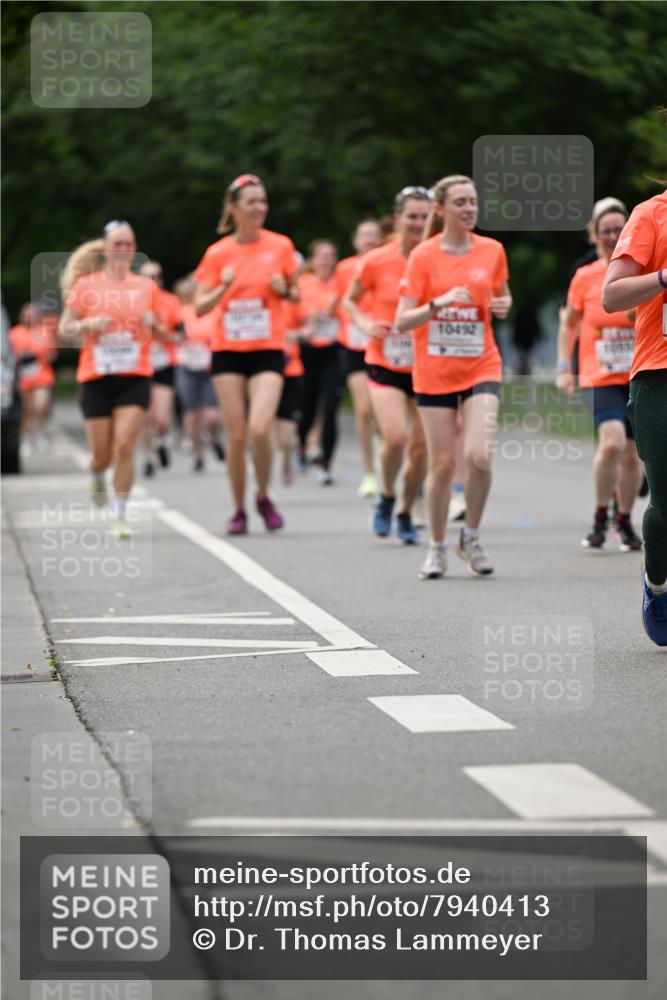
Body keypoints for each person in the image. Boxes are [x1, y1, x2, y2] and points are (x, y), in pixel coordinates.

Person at [396, 174, 512, 578]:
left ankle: (472, 536)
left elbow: (502, 295)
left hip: (482, 363)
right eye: (460, 202)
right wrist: (437, 303)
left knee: (479, 454)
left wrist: (503, 305)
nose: (469, 209)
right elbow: (402, 320)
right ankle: (438, 546)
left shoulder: (493, 250)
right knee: (442, 465)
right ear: (441, 210)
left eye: (473, 202)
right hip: (435, 370)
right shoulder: (423, 256)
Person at [193, 173, 299, 534]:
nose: (259, 207)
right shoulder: (217, 253)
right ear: (234, 209)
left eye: (263, 201)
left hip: (268, 348)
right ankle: (239, 508)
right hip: (229, 353)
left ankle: (264, 495)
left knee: (259, 427)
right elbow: (200, 308)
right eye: (251, 202)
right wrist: (223, 287)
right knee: (237, 434)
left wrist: (285, 291)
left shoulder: (281, 246)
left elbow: (298, 295)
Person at [59, 221, 162, 537]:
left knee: (124, 445)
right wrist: (88, 324)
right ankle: (96, 475)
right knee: (101, 455)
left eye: (128, 244)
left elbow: (164, 329)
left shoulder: (146, 287)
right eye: (117, 243)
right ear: (104, 248)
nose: (122, 249)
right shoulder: (86, 286)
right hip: (96, 378)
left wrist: (153, 323)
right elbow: (65, 328)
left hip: (134, 376)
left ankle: (120, 514)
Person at [344, 187, 431, 544]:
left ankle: (406, 509)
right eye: (412, 216)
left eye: (426, 217)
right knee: (395, 437)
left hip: (428, 364)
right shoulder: (375, 260)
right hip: (385, 360)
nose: (419, 223)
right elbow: (350, 300)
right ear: (397, 219)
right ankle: (386, 495)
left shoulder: (440, 257)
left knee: (421, 447)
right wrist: (364, 324)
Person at [556, 199, 643, 551]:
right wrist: (564, 367)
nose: (612, 235)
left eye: (619, 229)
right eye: (605, 230)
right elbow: (569, 325)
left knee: (633, 453)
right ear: (594, 234)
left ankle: (623, 520)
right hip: (600, 375)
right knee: (612, 442)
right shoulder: (585, 277)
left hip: (639, 372)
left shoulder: (644, 271)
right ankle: (599, 516)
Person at [602, 185, 667, 646]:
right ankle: (657, 585)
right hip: (659, 375)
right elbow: (612, 296)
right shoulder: (651, 215)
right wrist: (663, 277)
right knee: (666, 504)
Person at [335, 219, 383, 497]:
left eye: (374, 236)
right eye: (364, 236)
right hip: (353, 343)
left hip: (383, 341)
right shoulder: (344, 268)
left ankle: (383, 447)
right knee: (364, 408)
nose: (369, 240)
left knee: (381, 411)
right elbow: (344, 301)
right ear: (355, 241)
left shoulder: (389, 263)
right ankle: (369, 473)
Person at [296, 240, 345, 486]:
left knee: (330, 408)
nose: (326, 259)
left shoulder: (342, 282)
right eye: (322, 255)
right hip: (308, 351)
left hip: (334, 351)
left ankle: (326, 464)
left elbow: (349, 309)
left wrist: (334, 312)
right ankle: (302, 443)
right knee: (307, 406)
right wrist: (310, 318)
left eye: (331, 255)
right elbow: (295, 312)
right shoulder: (303, 284)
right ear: (313, 260)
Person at [174, 276, 225, 473]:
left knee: (212, 416)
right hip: (187, 367)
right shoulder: (179, 313)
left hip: (209, 368)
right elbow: (168, 334)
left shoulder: (213, 312)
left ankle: (214, 439)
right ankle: (198, 454)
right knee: (193, 416)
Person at [139, 260, 182, 476]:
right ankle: (148, 458)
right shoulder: (131, 302)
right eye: (148, 277)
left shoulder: (171, 302)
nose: (153, 281)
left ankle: (162, 440)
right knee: (146, 417)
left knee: (162, 418)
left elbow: (181, 335)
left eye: (157, 276)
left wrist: (158, 329)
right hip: (140, 365)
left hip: (164, 363)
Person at [9, 303, 57, 452]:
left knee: (40, 405)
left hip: (42, 376)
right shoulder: (14, 333)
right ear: (21, 316)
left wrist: (39, 355)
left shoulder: (44, 332)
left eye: (32, 314)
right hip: (23, 378)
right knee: (26, 409)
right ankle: (26, 437)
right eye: (26, 314)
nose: (29, 317)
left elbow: (52, 355)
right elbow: (8, 357)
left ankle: (39, 433)